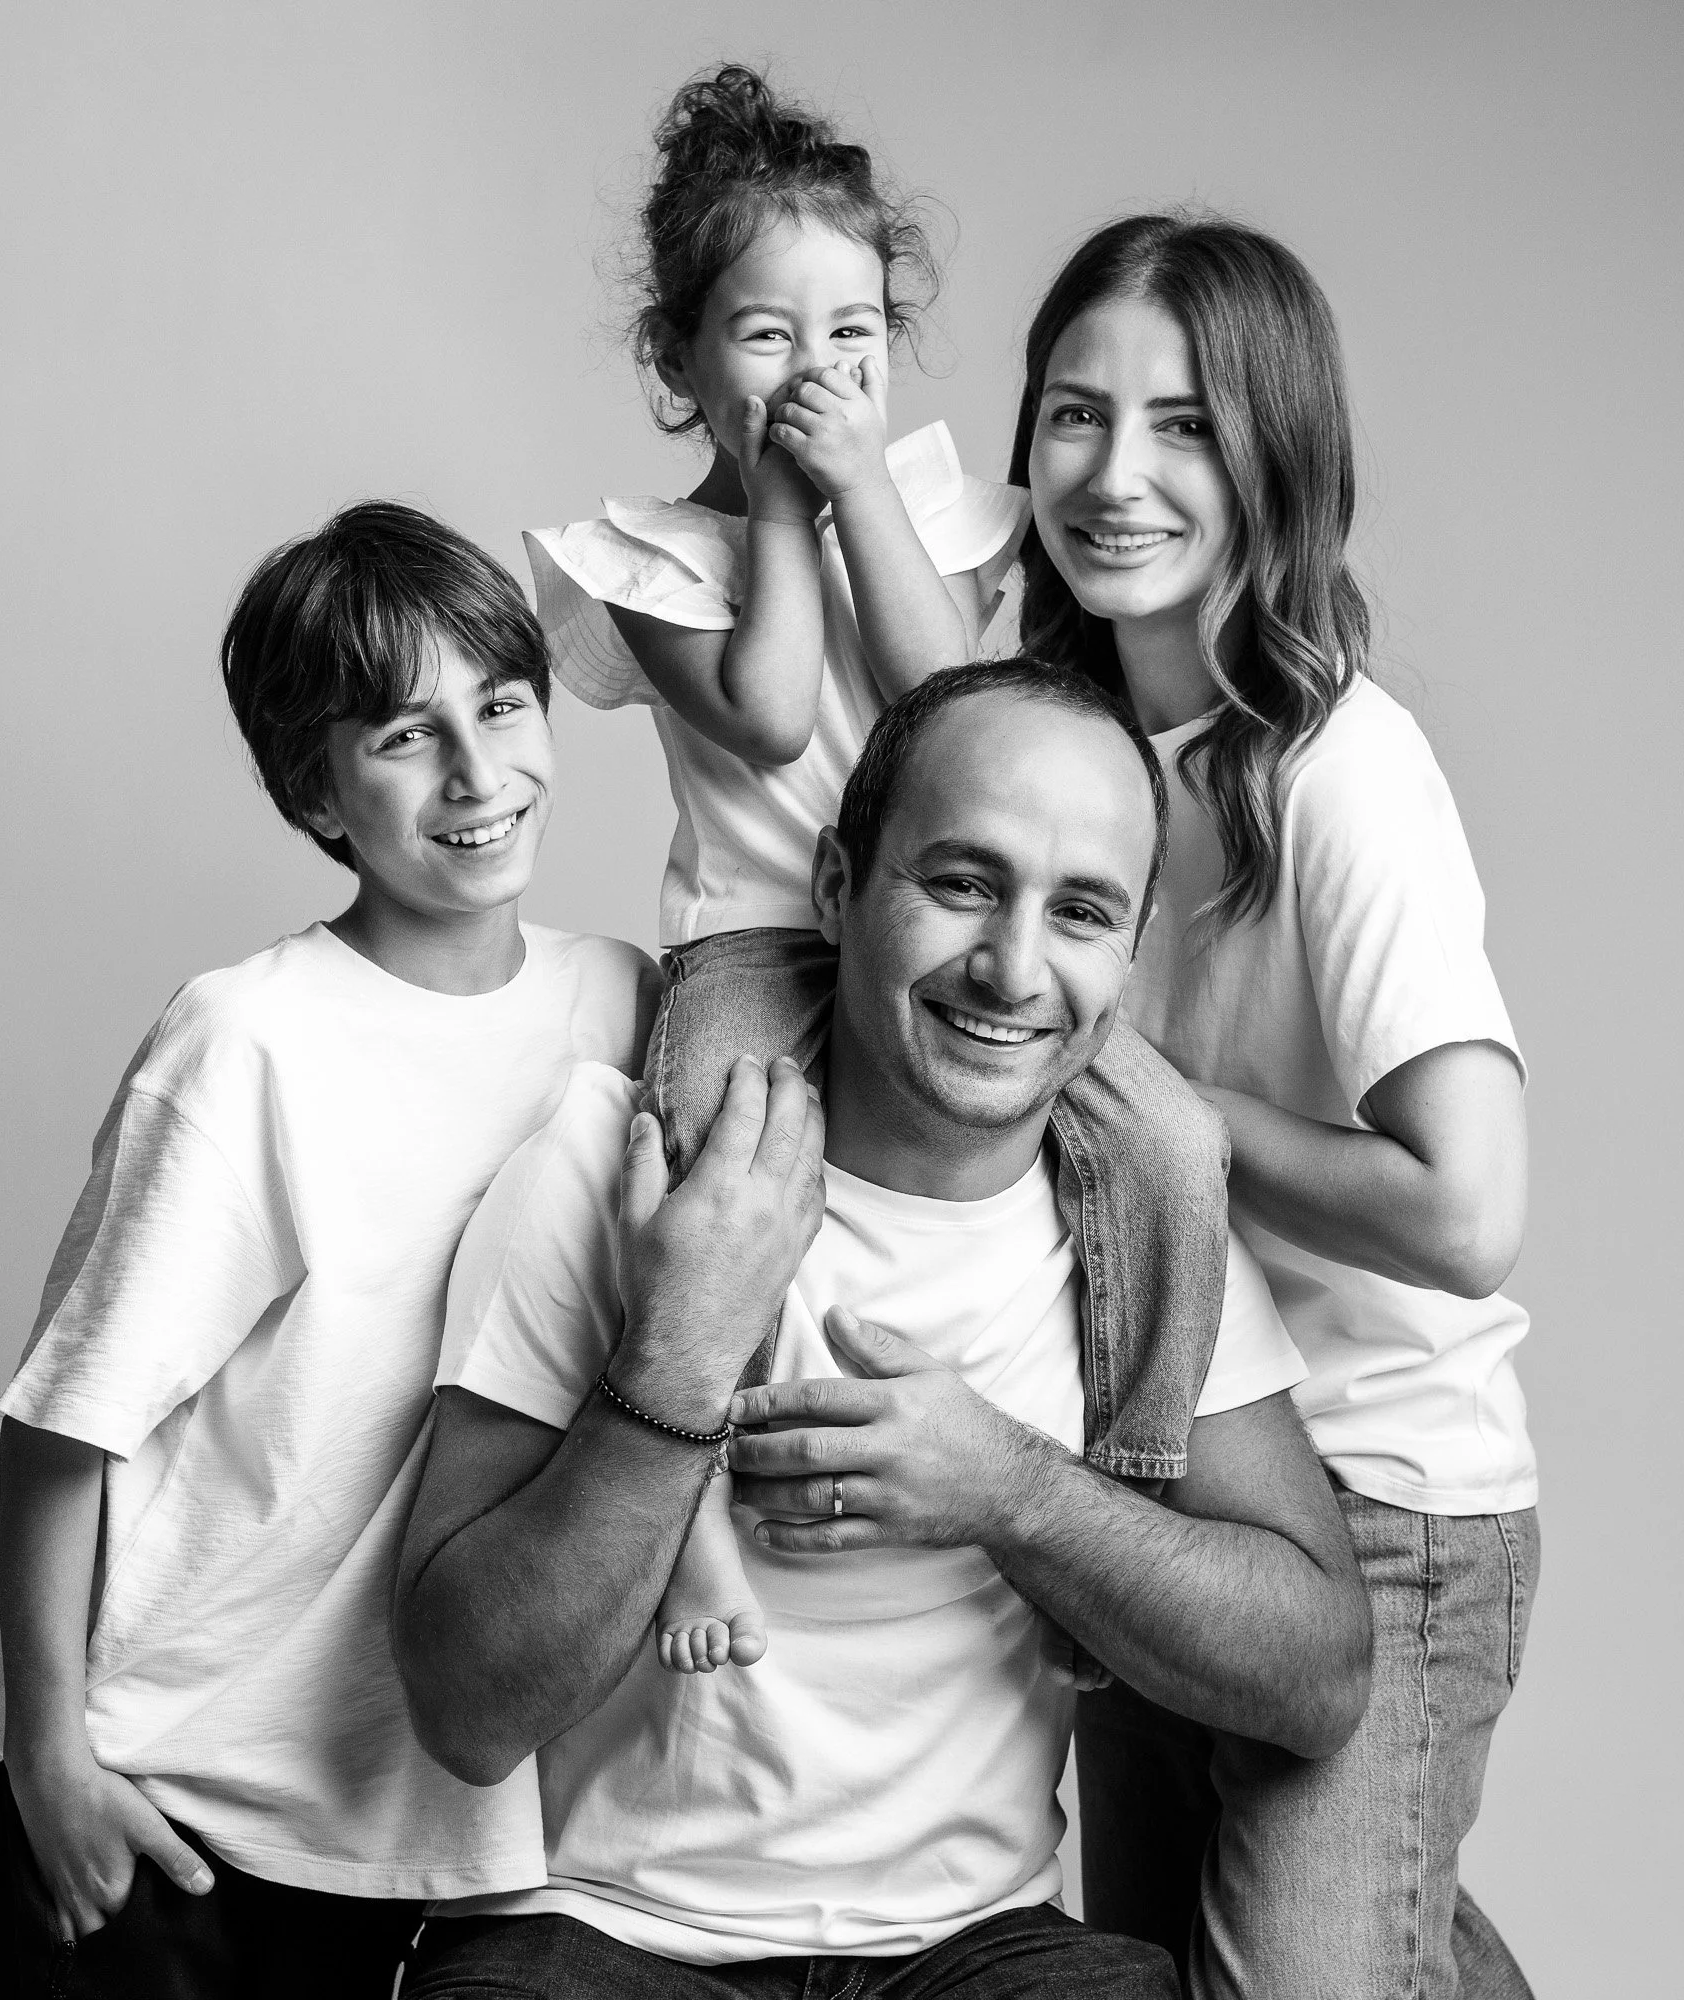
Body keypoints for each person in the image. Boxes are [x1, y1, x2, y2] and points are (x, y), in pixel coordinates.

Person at [390, 661, 1374, 1999]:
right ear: (840, 887)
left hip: (977, 1953)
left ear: (1128, 959)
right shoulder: (613, 1161)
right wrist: (676, 1356)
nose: (1014, 967)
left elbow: (1318, 1673)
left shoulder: (1144, 1229)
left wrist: (1011, 1490)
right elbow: (463, 1704)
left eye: (1080, 913)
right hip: (605, 1936)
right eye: (962, 882)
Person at [523, 61, 1233, 1694]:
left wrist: (854, 493)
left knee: (1175, 1143)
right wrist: (782, 500)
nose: (816, 372)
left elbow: (940, 705)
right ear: (681, 361)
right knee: (695, 1176)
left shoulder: (927, 511)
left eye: (852, 338)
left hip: (931, 929)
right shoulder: (634, 557)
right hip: (755, 951)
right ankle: (686, 1507)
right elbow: (774, 714)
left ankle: (1123, 1490)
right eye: (766, 337)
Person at [0, 503, 659, 1999]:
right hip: (165, 1800)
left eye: (504, 704)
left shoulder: (628, 1004)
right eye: (407, 736)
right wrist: (50, 1759)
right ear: (319, 792)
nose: (478, 774)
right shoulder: (252, 1039)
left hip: (423, 1831)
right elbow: (60, 1419)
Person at [1011, 210, 1540, 1997]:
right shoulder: (1073, 763)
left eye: (1182, 427)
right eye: (1075, 414)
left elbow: (1469, 1214)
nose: (1115, 474)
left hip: (1382, 1509)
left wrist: (1164, 1100)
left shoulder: (1341, 769)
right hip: (1179, 1484)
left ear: (1273, 462)